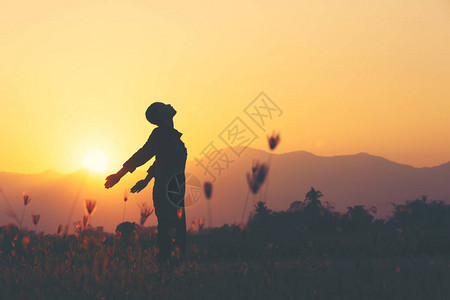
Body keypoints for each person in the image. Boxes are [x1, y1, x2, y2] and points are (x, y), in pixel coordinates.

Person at [105, 102, 187, 265]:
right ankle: (164, 274)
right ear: (161, 116)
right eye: (164, 106)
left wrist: (147, 179)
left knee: (178, 236)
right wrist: (119, 175)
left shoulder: (171, 137)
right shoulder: (160, 135)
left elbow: (161, 162)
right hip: (166, 192)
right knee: (167, 235)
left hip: (176, 192)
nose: (169, 105)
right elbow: (142, 155)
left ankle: (174, 273)